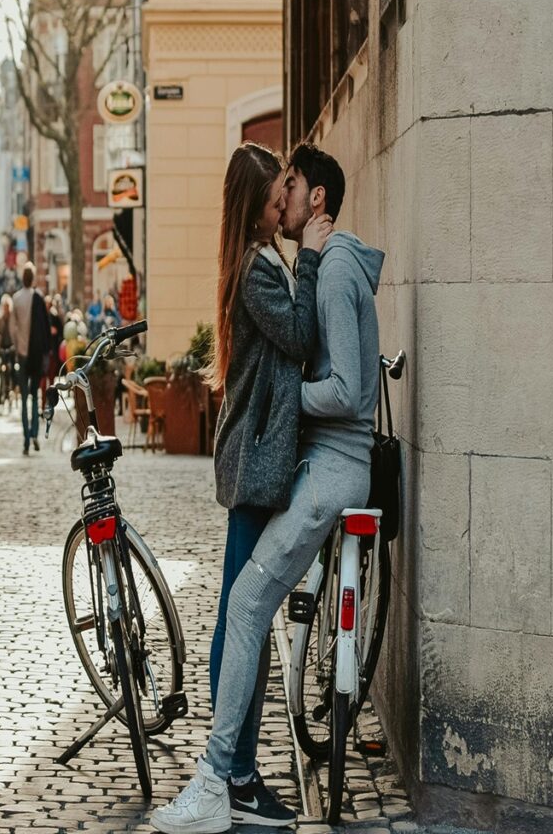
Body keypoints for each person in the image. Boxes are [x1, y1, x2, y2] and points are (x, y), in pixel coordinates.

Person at [151, 143, 381, 834]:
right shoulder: (263, 266)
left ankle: (234, 774)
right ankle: (236, 772)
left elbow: (317, 358)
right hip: (258, 463)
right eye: (280, 186)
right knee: (237, 613)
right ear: (260, 204)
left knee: (241, 610)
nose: (286, 195)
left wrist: (308, 260)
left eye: (292, 183)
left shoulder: (286, 262)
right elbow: (303, 337)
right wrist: (308, 258)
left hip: (280, 461)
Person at [10, 261, 51, 456]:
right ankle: (35, 432)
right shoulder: (38, 298)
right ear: (33, 278)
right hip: (35, 354)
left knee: (24, 397)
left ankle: (26, 438)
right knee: (35, 395)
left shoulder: (16, 299)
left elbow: (12, 328)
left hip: (22, 353)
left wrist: (17, 344)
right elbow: (45, 328)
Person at [0, 294, 16, 413]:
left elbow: (15, 332)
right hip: (3, 348)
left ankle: (12, 393)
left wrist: (15, 346)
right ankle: (1, 399)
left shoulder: (13, 318)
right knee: (2, 373)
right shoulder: (0, 318)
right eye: (5, 306)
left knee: (12, 371)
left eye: (7, 306)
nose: (6, 308)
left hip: (11, 349)